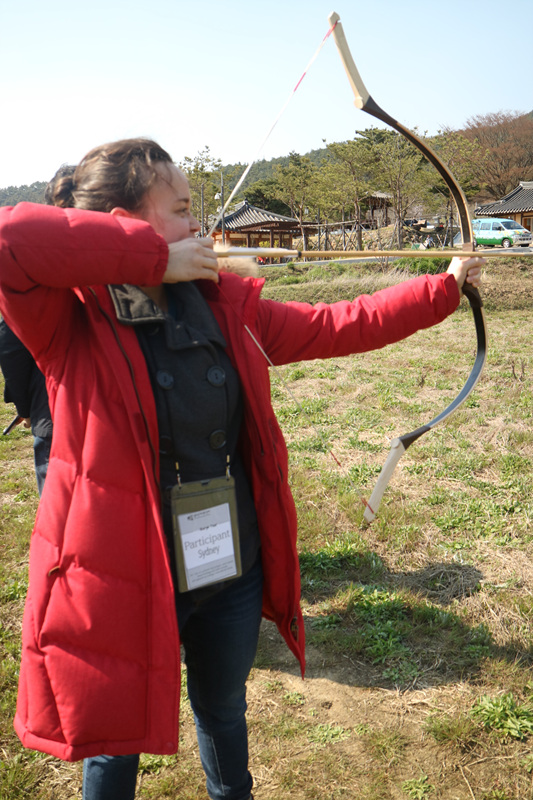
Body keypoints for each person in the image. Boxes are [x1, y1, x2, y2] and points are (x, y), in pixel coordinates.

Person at [0, 138, 484, 800]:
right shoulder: (70, 317)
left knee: (223, 711)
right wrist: (153, 259)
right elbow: (11, 237)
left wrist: (442, 289)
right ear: (123, 221)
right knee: (113, 745)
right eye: (181, 209)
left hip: (224, 561)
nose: (198, 225)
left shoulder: (225, 304)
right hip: (121, 573)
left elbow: (335, 323)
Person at [0, 319, 52, 495]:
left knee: (57, 508)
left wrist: (24, 409)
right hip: (119, 414)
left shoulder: (37, 294)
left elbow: (12, 352)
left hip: (52, 413)